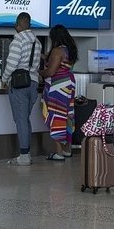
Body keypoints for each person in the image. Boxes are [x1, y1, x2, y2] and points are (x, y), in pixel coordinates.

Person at [2, 12, 42, 166]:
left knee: (21, 120)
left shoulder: (18, 40)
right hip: (33, 84)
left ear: (18, 25)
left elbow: (12, 64)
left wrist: (4, 79)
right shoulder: (37, 42)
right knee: (25, 119)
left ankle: (24, 156)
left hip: (19, 84)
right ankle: (27, 153)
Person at [40, 24, 78, 161]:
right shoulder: (70, 49)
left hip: (58, 85)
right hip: (69, 84)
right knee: (67, 115)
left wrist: (38, 72)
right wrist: (43, 56)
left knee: (57, 115)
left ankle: (59, 153)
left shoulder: (57, 50)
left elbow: (51, 72)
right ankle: (67, 149)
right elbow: (60, 63)